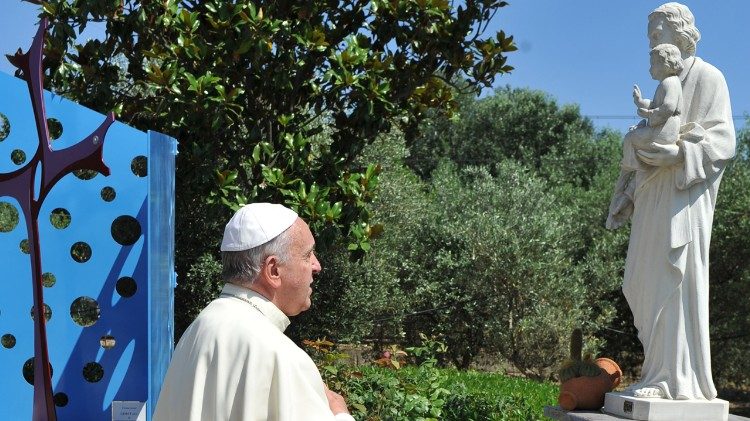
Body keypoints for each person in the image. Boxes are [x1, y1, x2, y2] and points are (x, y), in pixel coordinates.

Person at [606, 2, 735, 400]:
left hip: (683, 197)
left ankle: (674, 380)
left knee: (672, 279)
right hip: (653, 197)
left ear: (679, 32)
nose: (652, 40)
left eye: (657, 32)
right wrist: (626, 194)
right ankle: (654, 373)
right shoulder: (667, 78)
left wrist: (680, 155)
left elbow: (724, 141)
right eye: (650, 35)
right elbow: (648, 142)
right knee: (641, 280)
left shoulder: (709, 77)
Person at [153, 203, 355, 420]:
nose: (317, 265)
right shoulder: (279, 354)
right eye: (308, 255)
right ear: (273, 270)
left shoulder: (201, 327)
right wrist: (341, 413)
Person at [607, 43, 684, 228]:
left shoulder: (670, 82)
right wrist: (641, 102)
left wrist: (648, 115)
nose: (650, 69)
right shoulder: (665, 84)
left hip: (664, 132)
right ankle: (631, 169)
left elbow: (667, 108)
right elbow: (657, 103)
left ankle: (630, 166)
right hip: (661, 129)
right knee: (635, 132)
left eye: (653, 64)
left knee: (630, 138)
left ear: (665, 63)